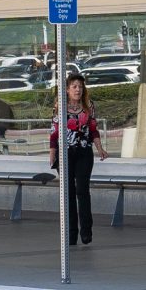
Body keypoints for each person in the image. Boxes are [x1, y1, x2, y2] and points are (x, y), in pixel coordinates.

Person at [48, 70, 100, 246]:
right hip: (66, 153)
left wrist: (100, 148)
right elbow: (54, 132)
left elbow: (93, 128)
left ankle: (86, 231)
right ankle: (71, 234)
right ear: (67, 89)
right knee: (68, 193)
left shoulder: (89, 105)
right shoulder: (59, 106)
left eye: (80, 86)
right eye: (74, 86)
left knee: (82, 191)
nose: (78, 89)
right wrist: (52, 154)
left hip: (84, 152)